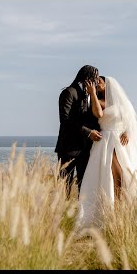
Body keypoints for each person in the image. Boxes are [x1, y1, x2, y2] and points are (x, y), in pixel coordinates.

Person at [76, 76, 137, 230]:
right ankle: (110, 208)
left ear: (108, 84)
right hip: (105, 141)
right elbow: (99, 114)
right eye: (95, 81)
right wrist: (92, 93)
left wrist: (127, 133)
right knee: (111, 173)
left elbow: (130, 121)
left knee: (125, 173)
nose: (96, 83)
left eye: (99, 81)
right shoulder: (95, 101)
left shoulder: (122, 103)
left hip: (120, 141)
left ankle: (121, 208)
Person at [55, 65, 103, 199]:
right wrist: (88, 132)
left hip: (86, 149)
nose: (97, 81)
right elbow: (65, 120)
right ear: (87, 79)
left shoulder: (93, 95)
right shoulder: (69, 93)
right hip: (68, 148)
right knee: (64, 186)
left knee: (84, 187)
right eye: (95, 78)